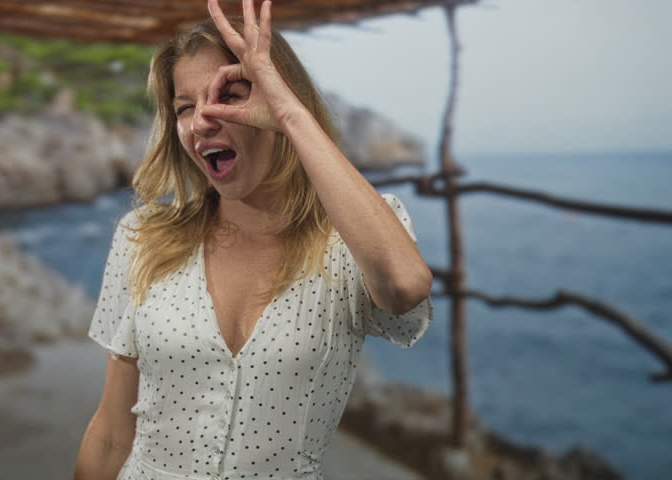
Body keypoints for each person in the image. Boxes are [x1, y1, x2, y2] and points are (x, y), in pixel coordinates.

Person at [74, 0, 434, 478]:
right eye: (185, 108)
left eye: (232, 95)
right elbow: (112, 432)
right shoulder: (142, 238)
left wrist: (291, 113)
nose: (203, 120)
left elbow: (406, 286)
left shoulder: (349, 245)